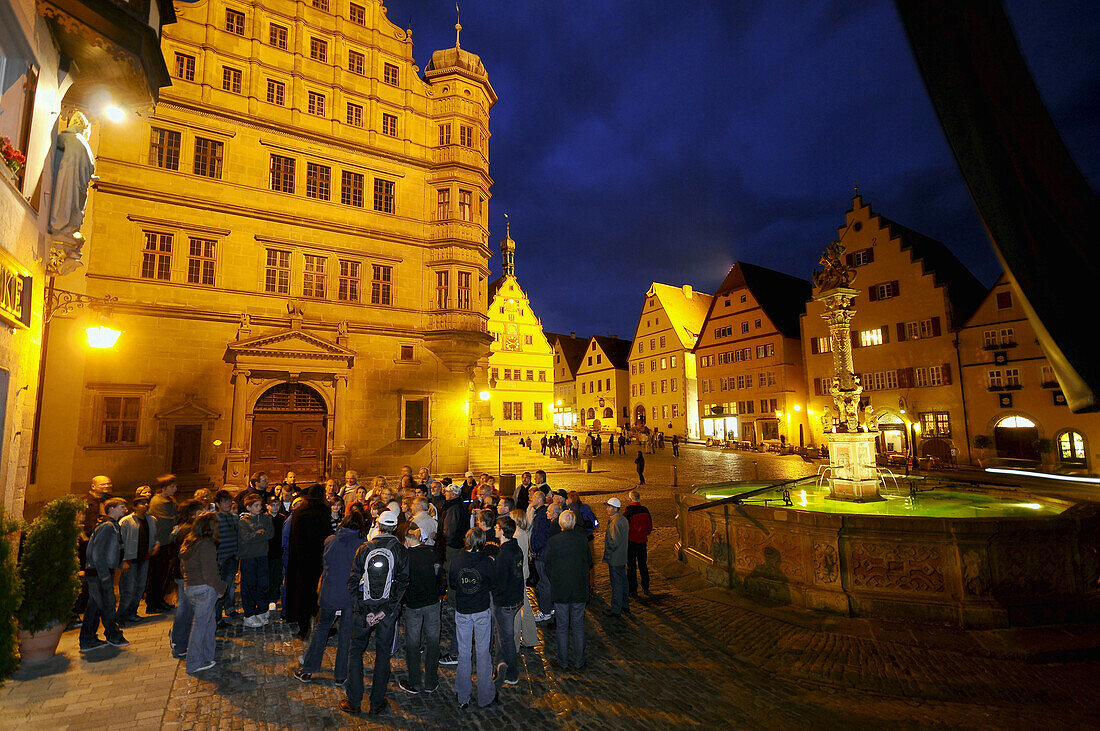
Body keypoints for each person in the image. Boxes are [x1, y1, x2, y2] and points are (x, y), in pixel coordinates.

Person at [343, 510, 408, 715]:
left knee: (355, 652)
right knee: (382, 655)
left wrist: (363, 610)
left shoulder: (364, 548)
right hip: (386, 612)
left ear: (378, 526)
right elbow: (404, 583)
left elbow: (352, 581)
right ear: (395, 527)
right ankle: (376, 702)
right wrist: (384, 611)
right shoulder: (400, 550)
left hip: (364, 610)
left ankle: (354, 701)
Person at [296, 512, 367, 685]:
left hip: (330, 593)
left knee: (321, 630)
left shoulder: (330, 541)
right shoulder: (362, 546)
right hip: (349, 597)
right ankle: (341, 675)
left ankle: (308, 670)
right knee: (345, 635)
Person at [449, 527, 506, 709]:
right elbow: (494, 583)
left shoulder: (457, 560)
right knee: (483, 653)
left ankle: (463, 696)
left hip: (464, 610)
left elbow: (453, 583)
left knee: (464, 654)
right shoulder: (487, 563)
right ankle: (485, 696)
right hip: (481, 609)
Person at [397, 524, 445, 694]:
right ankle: (431, 681)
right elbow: (440, 574)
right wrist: (440, 593)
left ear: (408, 539)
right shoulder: (431, 553)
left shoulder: (405, 557)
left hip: (413, 605)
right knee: (433, 642)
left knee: (412, 643)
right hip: (432, 603)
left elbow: (402, 582)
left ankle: (415, 681)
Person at [543, 510, 592, 670]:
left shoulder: (554, 541)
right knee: (578, 625)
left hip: (561, 589)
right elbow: (589, 562)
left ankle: (563, 661)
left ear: (561, 523)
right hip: (579, 588)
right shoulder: (582, 540)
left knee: (562, 626)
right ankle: (579, 660)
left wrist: (555, 580)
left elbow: (547, 566)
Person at [179, 512, 226, 674]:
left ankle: (207, 655)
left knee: (208, 622)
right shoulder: (206, 544)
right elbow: (210, 573)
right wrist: (221, 588)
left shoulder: (190, 542)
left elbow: (183, 567)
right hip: (204, 588)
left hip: (191, 587)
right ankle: (194, 662)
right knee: (199, 625)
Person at [80, 497, 128, 653]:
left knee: (95, 606)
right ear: (111, 509)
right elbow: (97, 552)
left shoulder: (111, 526)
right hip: (100, 573)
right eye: (121, 506)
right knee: (106, 604)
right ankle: (113, 635)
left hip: (100, 571)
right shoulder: (107, 527)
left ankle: (88, 639)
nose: (125, 509)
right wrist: (104, 575)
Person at [286, 484, 334, 640]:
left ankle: (303, 627)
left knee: (302, 592)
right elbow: (327, 536)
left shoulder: (299, 512)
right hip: (318, 559)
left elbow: (294, 537)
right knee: (318, 591)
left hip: (300, 559)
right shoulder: (324, 512)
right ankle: (320, 626)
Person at [169, 500, 204, 660]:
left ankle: (179, 636)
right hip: (186, 576)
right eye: (201, 512)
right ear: (193, 514)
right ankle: (179, 643)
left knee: (187, 608)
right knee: (185, 609)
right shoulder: (188, 531)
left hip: (185, 575)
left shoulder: (187, 529)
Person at [492, 515, 524, 686]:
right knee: (502, 636)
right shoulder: (515, 549)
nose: (495, 529)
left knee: (506, 639)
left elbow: (500, 581)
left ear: (503, 531)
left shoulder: (504, 554)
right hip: (515, 599)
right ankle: (499, 666)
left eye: (497, 527)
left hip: (505, 603)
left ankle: (512, 673)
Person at [118, 491, 157, 624]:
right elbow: (120, 542)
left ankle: (132, 612)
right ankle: (122, 615)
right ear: (134, 506)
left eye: (147, 503)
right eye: (142, 503)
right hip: (130, 560)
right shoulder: (126, 522)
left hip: (144, 558)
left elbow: (154, 536)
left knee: (140, 587)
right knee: (128, 589)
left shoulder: (151, 520)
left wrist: (155, 545)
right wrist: (123, 560)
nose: (145, 505)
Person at [238, 494, 273, 627]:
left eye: (260, 505)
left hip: (262, 554)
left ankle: (262, 609)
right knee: (249, 584)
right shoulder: (243, 521)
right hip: (248, 556)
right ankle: (249, 613)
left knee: (263, 583)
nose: (259, 508)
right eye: (256, 505)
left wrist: (258, 535)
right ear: (248, 507)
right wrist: (259, 533)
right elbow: (246, 537)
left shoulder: (265, 518)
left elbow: (270, 533)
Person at [146, 475, 177, 613]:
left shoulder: (170, 500)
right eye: (172, 486)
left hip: (168, 542)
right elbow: (162, 521)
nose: (175, 489)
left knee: (164, 574)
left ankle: (160, 600)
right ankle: (153, 603)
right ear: (164, 488)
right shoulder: (157, 502)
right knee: (157, 574)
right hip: (160, 542)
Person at [509, 509, 538, 650]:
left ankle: (515, 643)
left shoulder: (517, 536)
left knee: (517, 610)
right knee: (525, 609)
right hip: (522, 574)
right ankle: (530, 639)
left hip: (518, 576)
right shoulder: (522, 534)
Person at [212, 490, 239, 625]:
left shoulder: (234, 517)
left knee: (230, 586)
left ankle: (229, 608)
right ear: (217, 504)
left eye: (229, 500)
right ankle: (217, 618)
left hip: (232, 558)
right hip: (220, 560)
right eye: (224, 501)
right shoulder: (214, 519)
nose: (228, 503)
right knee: (219, 589)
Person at [602, 497, 630, 617]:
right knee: (623, 581)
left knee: (617, 583)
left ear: (615, 509)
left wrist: (608, 553)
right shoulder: (621, 519)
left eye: (609, 507)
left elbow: (614, 541)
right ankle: (624, 604)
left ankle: (616, 608)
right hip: (621, 556)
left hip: (615, 557)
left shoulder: (616, 522)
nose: (607, 509)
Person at [566, 491, 599, 587]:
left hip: (580, 540)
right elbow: (595, 522)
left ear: (571, 499)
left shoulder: (572, 511)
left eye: (568, 499)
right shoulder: (585, 507)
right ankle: (591, 582)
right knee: (590, 561)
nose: (566, 500)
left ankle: (583, 583)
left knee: (581, 562)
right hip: (589, 538)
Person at [529, 491, 553, 622]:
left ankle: (545, 611)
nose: (531, 500)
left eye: (533, 498)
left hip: (541, 554)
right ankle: (549, 607)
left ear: (539, 499)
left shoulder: (541, 516)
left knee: (544, 583)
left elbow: (540, 536)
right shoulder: (541, 514)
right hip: (542, 552)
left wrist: (534, 548)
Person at [624, 490, 653, 597]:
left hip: (631, 542)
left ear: (630, 499)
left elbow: (625, 528)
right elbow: (649, 527)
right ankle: (646, 587)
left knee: (631, 567)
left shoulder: (628, 511)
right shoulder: (645, 510)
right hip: (642, 542)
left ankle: (633, 590)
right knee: (643, 565)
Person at [266, 496, 287, 608]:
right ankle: (267, 596)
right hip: (267, 552)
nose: (275, 507)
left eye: (277, 505)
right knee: (267, 575)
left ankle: (274, 597)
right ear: (267, 506)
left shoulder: (282, 518)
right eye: (272, 505)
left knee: (277, 576)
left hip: (279, 552)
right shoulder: (264, 518)